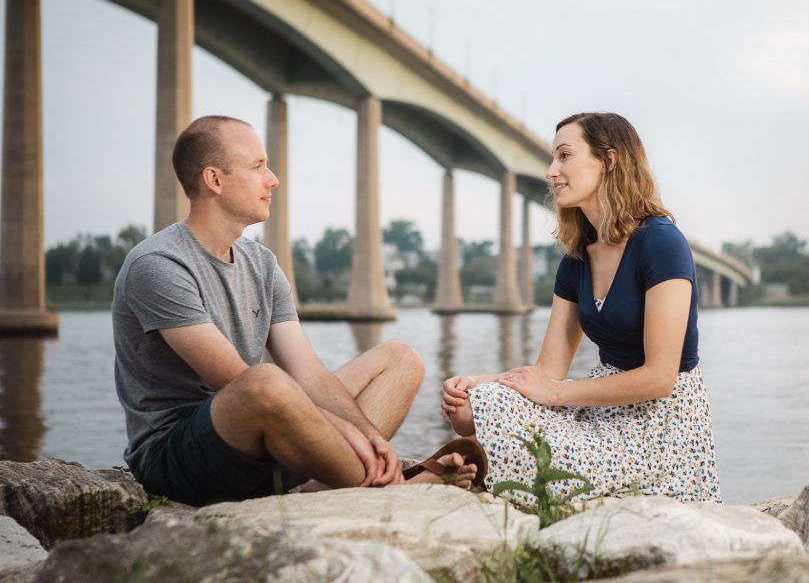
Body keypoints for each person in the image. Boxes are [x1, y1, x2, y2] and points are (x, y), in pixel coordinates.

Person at [113, 115, 480, 506]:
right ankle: (396, 490)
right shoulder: (158, 264)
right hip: (180, 458)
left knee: (401, 359)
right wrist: (343, 431)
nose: (272, 179)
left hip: (267, 442)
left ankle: (331, 484)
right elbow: (232, 379)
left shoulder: (262, 263)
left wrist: (368, 435)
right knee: (263, 383)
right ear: (214, 180)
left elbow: (307, 371)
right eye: (257, 167)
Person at [441, 112, 720, 503]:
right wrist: (476, 384)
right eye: (553, 158)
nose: (551, 171)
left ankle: (487, 470)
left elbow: (660, 378)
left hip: (662, 423)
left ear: (609, 161)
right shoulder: (576, 260)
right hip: (601, 409)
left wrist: (555, 394)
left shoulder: (661, 243)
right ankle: (483, 463)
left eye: (564, 156)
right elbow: (546, 371)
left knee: (527, 450)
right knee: (481, 405)